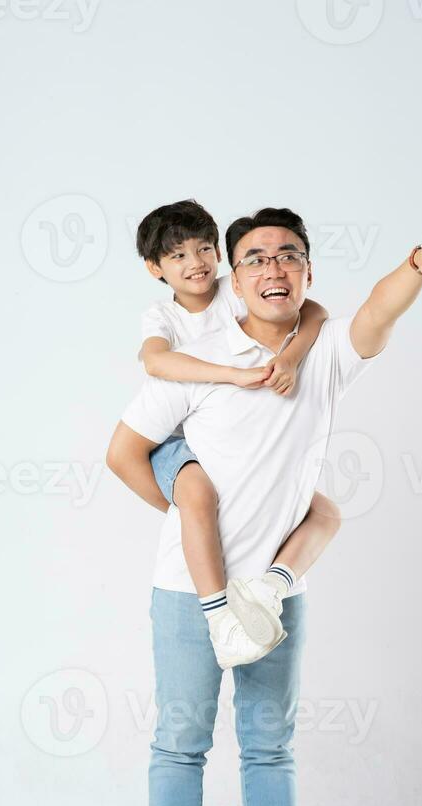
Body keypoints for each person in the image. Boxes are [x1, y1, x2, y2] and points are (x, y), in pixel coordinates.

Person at [106, 207, 422, 806]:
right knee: (180, 744)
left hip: (273, 595)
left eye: (290, 255)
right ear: (237, 278)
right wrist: (182, 510)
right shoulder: (200, 354)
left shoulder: (326, 349)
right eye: (257, 258)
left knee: (269, 747)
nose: (274, 268)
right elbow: (127, 453)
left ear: (305, 271)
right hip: (185, 589)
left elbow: (374, 313)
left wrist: (416, 267)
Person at [133, 199, 340, 669]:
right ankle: (219, 615)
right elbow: (155, 362)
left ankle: (273, 584)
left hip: (231, 440)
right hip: (177, 439)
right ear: (155, 269)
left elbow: (315, 310)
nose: (196, 263)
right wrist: (229, 374)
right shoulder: (162, 318)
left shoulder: (235, 289)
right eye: (178, 256)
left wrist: (287, 359)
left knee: (323, 510)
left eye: (205, 249)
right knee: (197, 496)